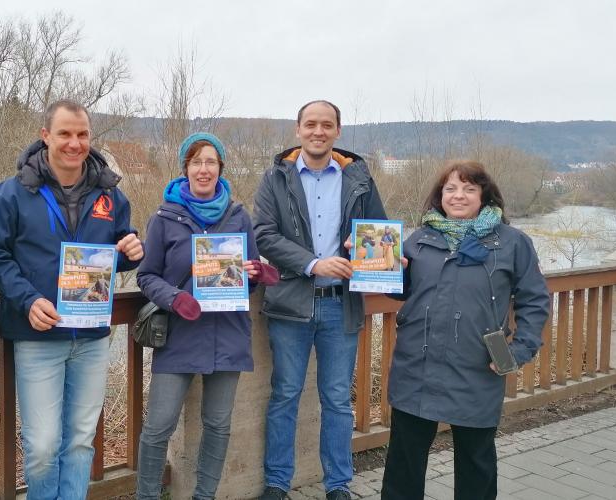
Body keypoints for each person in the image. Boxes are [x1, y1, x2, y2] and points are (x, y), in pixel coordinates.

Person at [0, 99, 144, 499]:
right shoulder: (9, 195)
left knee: (81, 441)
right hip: (38, 335)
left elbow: (116, 253)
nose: (74, 143)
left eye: (82, 134)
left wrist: (133, 252)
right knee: (41, 448)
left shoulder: (111, 197)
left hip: (91, 336)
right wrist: (27, 300)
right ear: (45, 136)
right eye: (65, 133)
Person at [380, 161, 549, 500]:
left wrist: (519, 350)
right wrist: (377, 266)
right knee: (404, 464)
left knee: (476, 464)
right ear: (439, 195)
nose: (458, 196)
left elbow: (535, 300)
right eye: (450, 189)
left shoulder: (512, 242)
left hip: (477, 368)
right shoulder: (419, 239)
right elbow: (404, 291)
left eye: (469, 189)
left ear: (484, 195)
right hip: (418, 367)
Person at [253, 100, 388, 500]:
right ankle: (277, 483)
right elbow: (264, 234)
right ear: (298, 130)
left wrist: (363, 247)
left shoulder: (359, 178)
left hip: (340, 305)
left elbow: (379, 232)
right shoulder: (275, 177)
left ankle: (338, 485)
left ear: (338, 132)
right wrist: (314, 264)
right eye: (310, 124)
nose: (318, 131)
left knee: (336, 400)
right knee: (285, 395)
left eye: (326, 125)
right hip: (290, 303)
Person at [134, 133, 279, 500]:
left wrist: (254, 276)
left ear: (220, 168)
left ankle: (204, 496)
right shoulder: (164, 218)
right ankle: (147, 496)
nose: (204, 169)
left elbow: (244, 277)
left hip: (226, 334)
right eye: (196, 161)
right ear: (185, 168)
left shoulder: (238, 216)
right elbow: (146, 275)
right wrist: (175, 298)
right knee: (157, 427)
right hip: (180, 333)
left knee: (217, 424)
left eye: (211, 162)